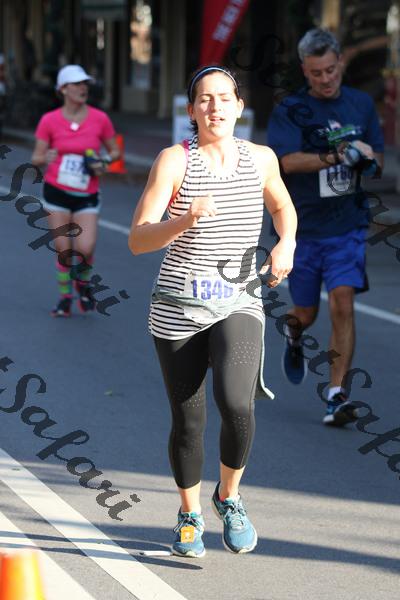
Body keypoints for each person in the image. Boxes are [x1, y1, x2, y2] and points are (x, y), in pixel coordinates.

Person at [128, 65, 297, 558]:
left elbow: (283, 207)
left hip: (238, 300)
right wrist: (185, 218)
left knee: (237, 403)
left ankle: (228, 495)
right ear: (191, 110)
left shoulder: (261, 158)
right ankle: (189, 514)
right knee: (189, 421)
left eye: (224, 98)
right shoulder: (174, 161)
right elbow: (139, 239)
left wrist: (285, 243)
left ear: (240, 106)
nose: (215, 107)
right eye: (205, 99)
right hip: (178, 307)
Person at [266, 29, 384, 426]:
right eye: (316, 73)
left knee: (343, 302)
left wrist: (366, 157)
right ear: (305, 70)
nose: (325, 79)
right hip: (302, 228)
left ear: (340, 64)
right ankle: (294, 332)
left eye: (331, 70)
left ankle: (337, 395)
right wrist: (336, 155)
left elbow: (379, 158)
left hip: (346, 224)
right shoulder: (292, 108)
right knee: (305, 312)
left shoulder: (360, 104)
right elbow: (286, 162)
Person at [31, 64, 120, 317]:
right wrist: (45, 157)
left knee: (85, 248)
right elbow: (36, 157)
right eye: (77, 84)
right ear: (63, 89)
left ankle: (83, 282)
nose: (83, 88)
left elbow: (114, 151)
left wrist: (104, 161)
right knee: (63, 249)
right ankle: (65, 298)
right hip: (56, 193)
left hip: (86, 195)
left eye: (85, 84)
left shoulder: (100, 118)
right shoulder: (49, 120)